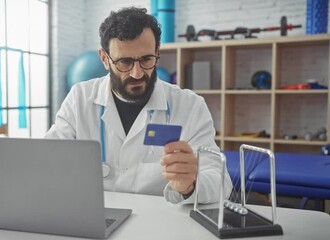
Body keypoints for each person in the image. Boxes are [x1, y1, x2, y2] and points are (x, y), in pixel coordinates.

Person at [45, 7, 232, 204]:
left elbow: (221, 182)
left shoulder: (190, 105)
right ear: (104, 59)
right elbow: (47, 160)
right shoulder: (80, 98)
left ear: (157, 52)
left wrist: (191, 185)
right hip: (95, 217)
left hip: (160, 225)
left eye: (146, 59)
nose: (137, 73)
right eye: (124, 62)